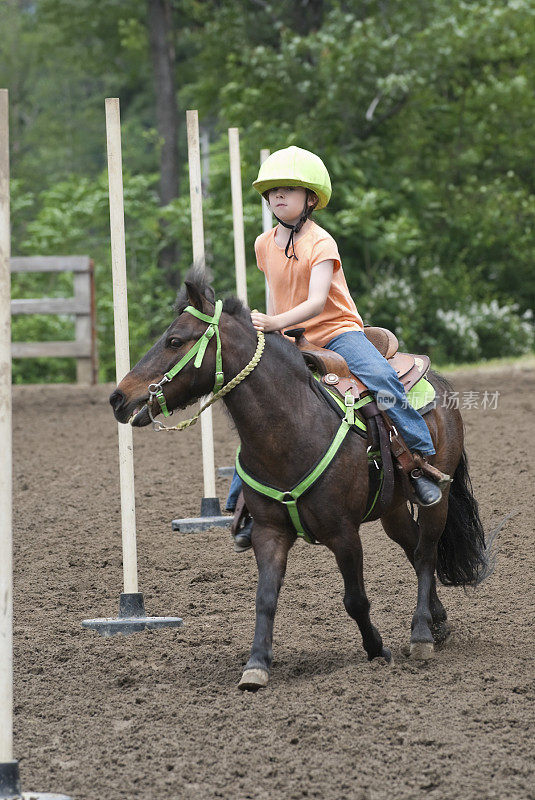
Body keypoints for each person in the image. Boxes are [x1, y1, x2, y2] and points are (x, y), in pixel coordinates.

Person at [227, 145, 441, 550]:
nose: (278, 197)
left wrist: (274, 323)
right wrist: (274, 333)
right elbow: (276, 294)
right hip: (289, 335)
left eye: (288, 189)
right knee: (257, 400)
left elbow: (315, 302)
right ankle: (243, 502)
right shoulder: (263, 243)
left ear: (311, 199)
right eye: (272, 191)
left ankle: (418, 462)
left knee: (379, 377)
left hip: (337, 331)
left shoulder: (321, 242)